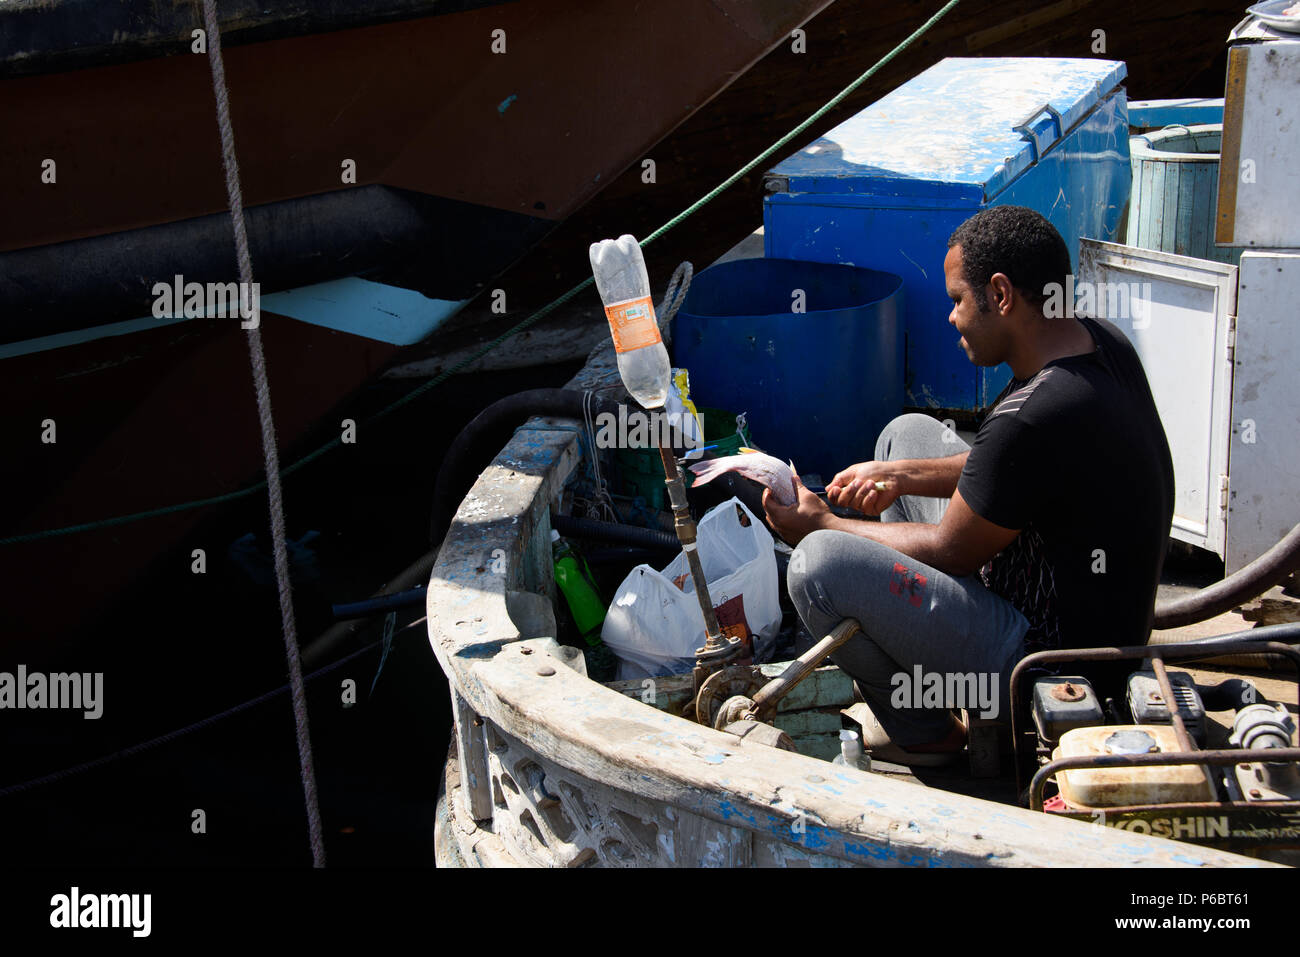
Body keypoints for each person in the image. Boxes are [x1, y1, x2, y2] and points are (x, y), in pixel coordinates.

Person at [761, 205, 1174, 765]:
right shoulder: (1100, 345)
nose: (951, 318)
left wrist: (826, 523)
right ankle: (922, 653)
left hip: (1046, 662)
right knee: (903, 436)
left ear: (1000, 295)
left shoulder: (1031, 416)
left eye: (958, 299)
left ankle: (930, 730)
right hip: (1088, 612)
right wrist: (898, 474)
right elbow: (1014, 464)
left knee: (817, 566)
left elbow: (950, 550)